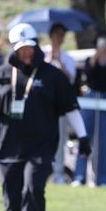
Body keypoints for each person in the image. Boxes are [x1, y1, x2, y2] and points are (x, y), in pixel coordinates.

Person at [0, 23, 90, 211]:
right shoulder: (2, 74)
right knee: (11, 196)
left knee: (32, 187)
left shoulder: (52, 76)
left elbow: (71, 108)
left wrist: (83, 137)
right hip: (9, 147)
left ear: (37, 47)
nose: (26, 53)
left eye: (29, 48)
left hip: (41, 146)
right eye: (21, 49)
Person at [72, 33, 106, 186]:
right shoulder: (91, 59)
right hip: (91, 98)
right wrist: (98, 53)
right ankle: (79, 176)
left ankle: (104, 178)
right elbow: (89, 72)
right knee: (84, 137)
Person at [42, 23, 77, 185]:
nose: (59, 37)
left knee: (60, 140)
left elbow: (70, 80)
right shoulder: (42, 54)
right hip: (42, 105)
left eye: (62, 34)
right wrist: (49, 60)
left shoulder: (67, 58)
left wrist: (60, 62)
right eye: (57, 34)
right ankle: (41, 171)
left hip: (59, 106)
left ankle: (58, 174)